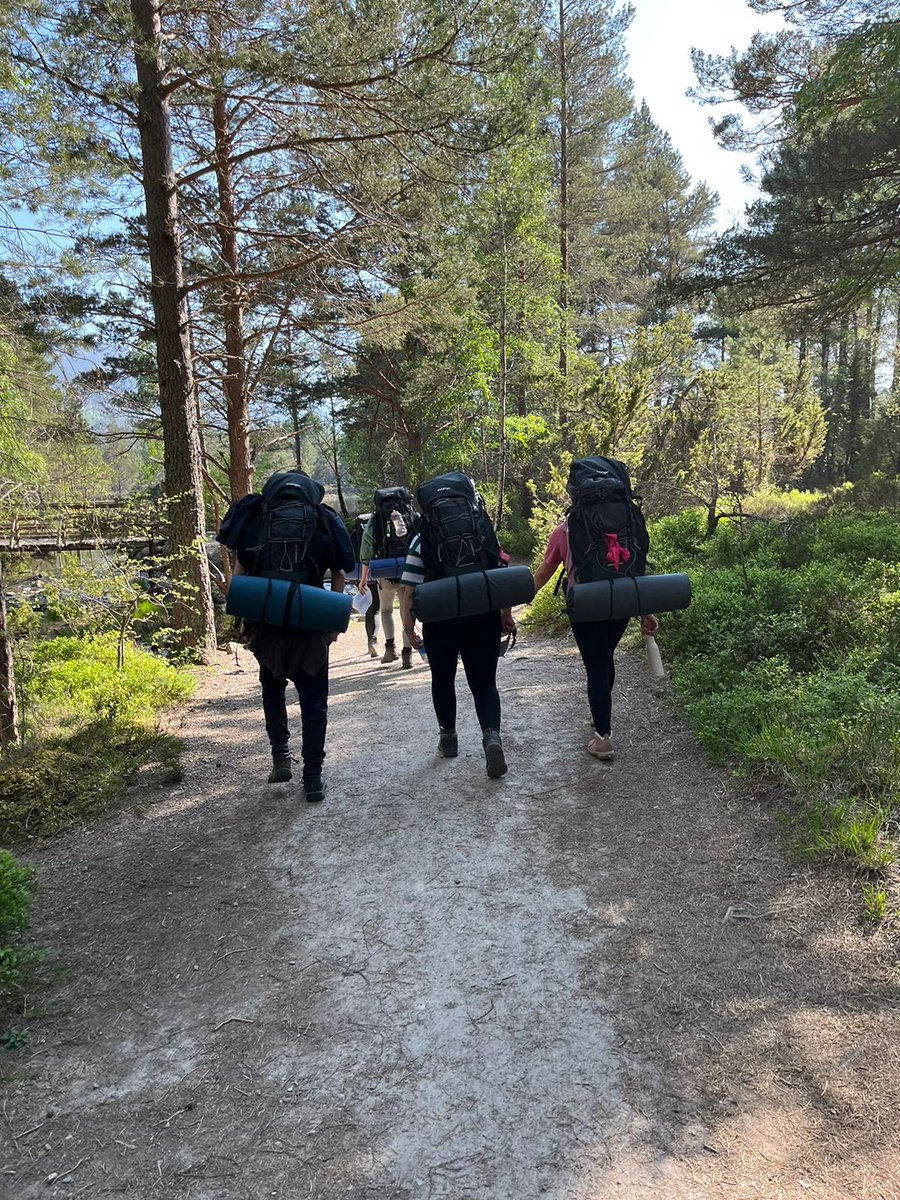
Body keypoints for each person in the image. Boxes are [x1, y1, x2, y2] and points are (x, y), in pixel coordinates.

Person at [217, 470, 355, 801]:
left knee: (273, 688)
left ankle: (280, 756)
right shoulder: (322, 520)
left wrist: (244, 617)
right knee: (314, 701)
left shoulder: (257, 519)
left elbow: (238, 575)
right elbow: (339, 574)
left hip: (267, 625)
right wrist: (332, 627)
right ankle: (312, 777)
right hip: (309, 624)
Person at [532, 458, 658, 762]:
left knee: (597, 664)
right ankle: (601, 715)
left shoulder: (564, 531)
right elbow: (636, 569)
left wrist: (509, 603)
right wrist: (646, 611)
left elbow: (542, 575)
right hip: (623, 603)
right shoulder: (630, 523)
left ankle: (603, 737)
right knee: (604, 658)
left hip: (584, 605)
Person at [399, 472, 516, 779]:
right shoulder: (481, 527)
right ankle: (491, 736)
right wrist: (506, 613)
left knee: (443, 678)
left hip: (441, 618)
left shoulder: (422, 536)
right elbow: (499, 573)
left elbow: (408, 590)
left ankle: (448, 739)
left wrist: (409, 627)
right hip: (482, 614)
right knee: (484, 683)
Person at [357, 486, 419, 669]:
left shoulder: (376, 518)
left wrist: (363, 579)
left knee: (385, 610)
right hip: (409, 570)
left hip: (386, 571)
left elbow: (366, 548)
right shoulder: (411, 514)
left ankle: (390, 649)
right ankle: (408, 655)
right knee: (406, 610)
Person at [350, 512, 380, 658]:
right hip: (381, 569)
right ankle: (396, 644)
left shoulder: (357, 532)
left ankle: (371, 641)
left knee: (371, 609)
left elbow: (353, 554)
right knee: (380, 609)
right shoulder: (381, 526)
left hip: (363, 572)